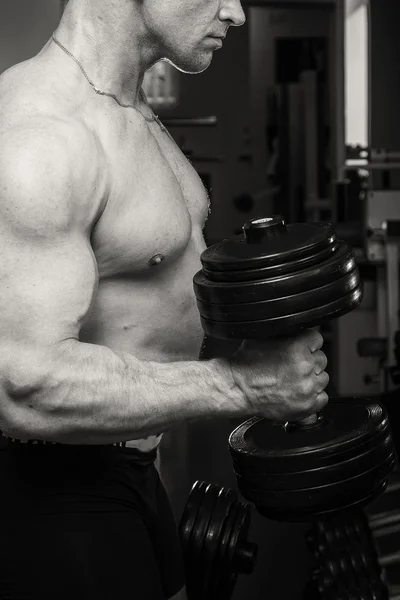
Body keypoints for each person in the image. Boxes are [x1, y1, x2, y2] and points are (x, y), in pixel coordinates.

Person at [0, 0, 329, 598]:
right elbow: (23, 383)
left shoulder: (131, 113)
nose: (237, 13)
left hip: (133, 468)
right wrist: (242, 386)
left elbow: (155, 295)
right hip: (56, 493)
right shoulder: (40, 137)